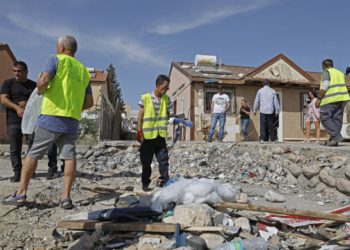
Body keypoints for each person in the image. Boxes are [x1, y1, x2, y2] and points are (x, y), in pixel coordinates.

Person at [3, 35, 93, 209]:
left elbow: (43, 81)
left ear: (61, 47)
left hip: (51, 115)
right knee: (69, 156)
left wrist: (41, 91)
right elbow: (89, 103)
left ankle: (21, 193)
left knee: (34, 153)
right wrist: (73, 109)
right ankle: (66, 198)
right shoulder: (83, 70)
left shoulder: (54, 59)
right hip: (72, 120)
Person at [0, 61, 36, 182]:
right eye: (14, 71)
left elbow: (39, 100)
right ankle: (17, 173)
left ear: (26, 72)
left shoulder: (33, 86)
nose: (16, 73)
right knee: (15, 148)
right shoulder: (8, 83)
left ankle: (30, 170)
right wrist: (17, 108)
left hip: (31, 121)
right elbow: (3, 99)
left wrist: (27, 104)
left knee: (33, 146)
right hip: (13, 120)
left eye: (19, 71)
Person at [137, 74, 172, 191]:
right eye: (165, 87)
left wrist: (172, 117)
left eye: (168, 87)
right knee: (146, 162)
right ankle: (145, 183)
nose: (167, 89)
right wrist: (139, 130)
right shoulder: (146, 98)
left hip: (160, 135)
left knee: (163, 160)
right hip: (147, 136)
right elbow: (140, 116)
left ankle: (165, 181)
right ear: (158, 85)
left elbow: (167, 115)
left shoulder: (167, 99)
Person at [316, 59, 350, 146]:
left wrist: (319, 98)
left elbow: (325, 85)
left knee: (324, 117)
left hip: (330, 99)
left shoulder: (326, 72)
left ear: (323, 66)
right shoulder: (339, 73)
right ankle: (334, 140)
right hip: (342, 99)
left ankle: (336, 136)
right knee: (336, 119)